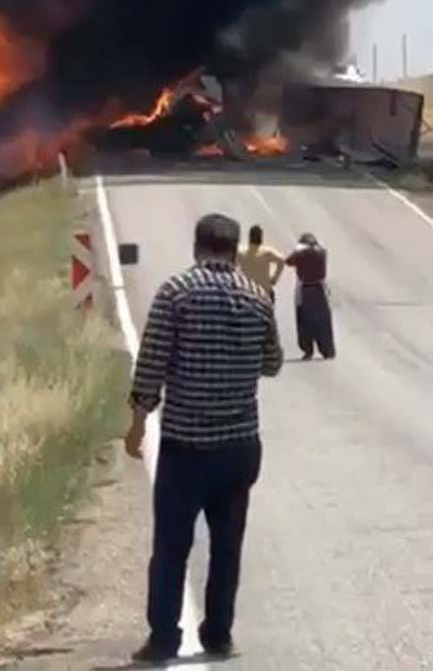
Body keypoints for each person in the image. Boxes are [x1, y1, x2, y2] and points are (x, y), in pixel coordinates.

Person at [125, 213, 283, 665]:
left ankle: (162, 640)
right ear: (234, 251)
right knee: (227, 545)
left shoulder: (176, 292)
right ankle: (218, 635)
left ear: (197, 247)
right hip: (239, 446)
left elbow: (151, 363)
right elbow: (272, 363)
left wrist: (137, 423)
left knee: (172, 546)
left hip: (186, 445)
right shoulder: (258, 297)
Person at [279, 232, 336, 360]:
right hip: (320, 289)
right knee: (323, 322)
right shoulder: (321, 252)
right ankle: (327, 350)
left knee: (304, 321)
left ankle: (308, 349)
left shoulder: (301, 254)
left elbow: (288, 261)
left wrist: (298, 251)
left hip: (305, 289)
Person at [237, 225, 284, 298]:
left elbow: (233, 265)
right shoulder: (267, 252)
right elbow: (281, 261)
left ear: (250, 237)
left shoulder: (241, 252)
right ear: (261, 237)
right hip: (264, 292)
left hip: (247, 291)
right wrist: (274, 279)